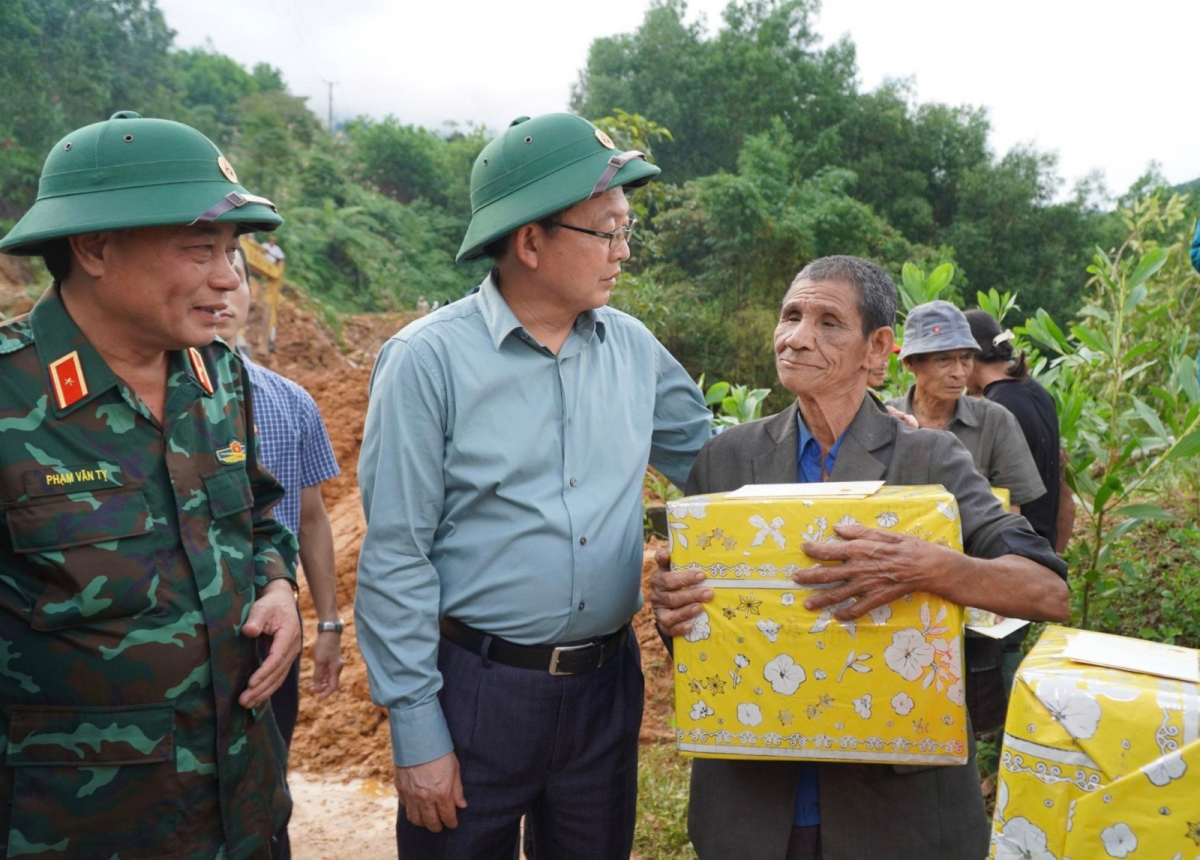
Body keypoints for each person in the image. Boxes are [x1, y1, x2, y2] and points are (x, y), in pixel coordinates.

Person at [355, 112, 713, 858]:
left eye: (626, 230)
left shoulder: (634, 350)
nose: (623, 252)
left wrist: (859, 429)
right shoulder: (428, 362)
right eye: (607, 231)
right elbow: (395, 554)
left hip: (604, 690)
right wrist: (417, 731)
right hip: (477, 691)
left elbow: (721, 465)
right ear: (530, 242)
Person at [651, 255, 1068, 860]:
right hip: (755, 807)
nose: (797, 338)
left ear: (878, 350)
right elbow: (706, 638)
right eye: (791, 316)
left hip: (896, 815)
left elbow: (1045, 591)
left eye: (827, 322)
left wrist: (926, 567)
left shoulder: (928, 461)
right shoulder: (727, 460)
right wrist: (674, 609)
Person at [0, 111, 300, 858]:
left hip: (244, 810)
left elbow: (258, 517)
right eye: (200, 249)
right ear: (96, 248)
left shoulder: (218, 375)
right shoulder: (9, 396)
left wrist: (280, 586)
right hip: (78, 830)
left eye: (232, 250)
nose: (230, 276)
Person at [215, 248, 346, 857]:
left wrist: (328, 622)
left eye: (236, 275)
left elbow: (313, 520)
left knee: (268, 789)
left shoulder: (291, 401)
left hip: (273, 637)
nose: (222, 289)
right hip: (190, 636)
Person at [886, 301, 1048, 731]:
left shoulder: (995, 422)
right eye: (944, 360)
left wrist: (1000, 582)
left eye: (965, 358)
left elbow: (1010, 512)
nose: (959, 372)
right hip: (898, 590)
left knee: (974, 710)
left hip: (972, 587)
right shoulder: (883, 421)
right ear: (912, 364)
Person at [965, 308, 1074, 694]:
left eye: (956, 358)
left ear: (971, 357)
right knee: (1010, 659)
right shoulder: (1036, 393)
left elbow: (1004, 503)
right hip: (1038, 552)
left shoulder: (994, 412)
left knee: (998, 676)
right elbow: (1060, 483)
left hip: (1012, 562)